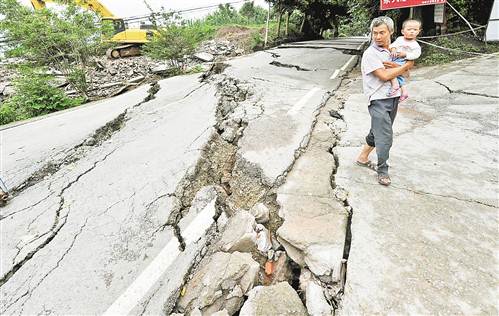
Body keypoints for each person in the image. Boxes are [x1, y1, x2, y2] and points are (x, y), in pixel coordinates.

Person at [356, 16, 414, 186]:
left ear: (391, 31)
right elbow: (384, 75)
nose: (378, 36)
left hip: (393, 98)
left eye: (382, 32)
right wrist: (405, 66)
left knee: (377, 132)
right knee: (385, 136)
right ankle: (383, 171)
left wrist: (402, 68)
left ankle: (362, 158)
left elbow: (406, 75)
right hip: (378, 100)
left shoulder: (394, 52)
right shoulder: (370, 54)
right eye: (375, 33)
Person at [387, 19, 422, 101]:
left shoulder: (415, 45)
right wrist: (393, 49)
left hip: (403, 61)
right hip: (394, 57)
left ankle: (395, 85)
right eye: (409, 29)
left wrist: (406, 54)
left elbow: (416, 55)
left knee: (390, 69)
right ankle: (404, 91)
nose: (412, 32)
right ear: (403, 31)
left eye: (415, 30)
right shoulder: (400, 39)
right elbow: (392, 45)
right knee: (399, 75)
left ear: (418, 32)